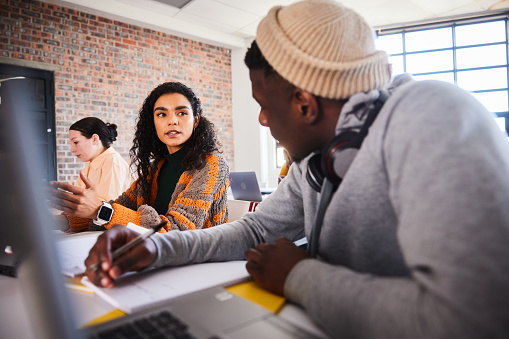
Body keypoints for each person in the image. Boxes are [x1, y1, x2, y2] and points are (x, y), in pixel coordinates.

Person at [82, 1, 509, 338]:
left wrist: (299, 276)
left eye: (265, 107)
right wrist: (156, 249)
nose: (263, 121)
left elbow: (469, 323)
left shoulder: (434, 118)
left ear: (305, 104)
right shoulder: (322, 155)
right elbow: (253, 231)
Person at [49, 82, 230, 233]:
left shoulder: (211, 164)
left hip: (202, 263)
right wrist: (57, 222)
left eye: (182, 113)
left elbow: (178, 229)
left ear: (196, 120)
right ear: (153, 123)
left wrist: (100, 210)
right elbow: (121, 207)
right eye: (161, 114)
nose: (172, 121)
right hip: (156, 255)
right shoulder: (156, 167)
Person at [68, 117, 133, 201]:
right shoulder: (89, 165)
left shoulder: (112, 162)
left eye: (76, 142)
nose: (72, 149)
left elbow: (109, 208)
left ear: (95, 139)